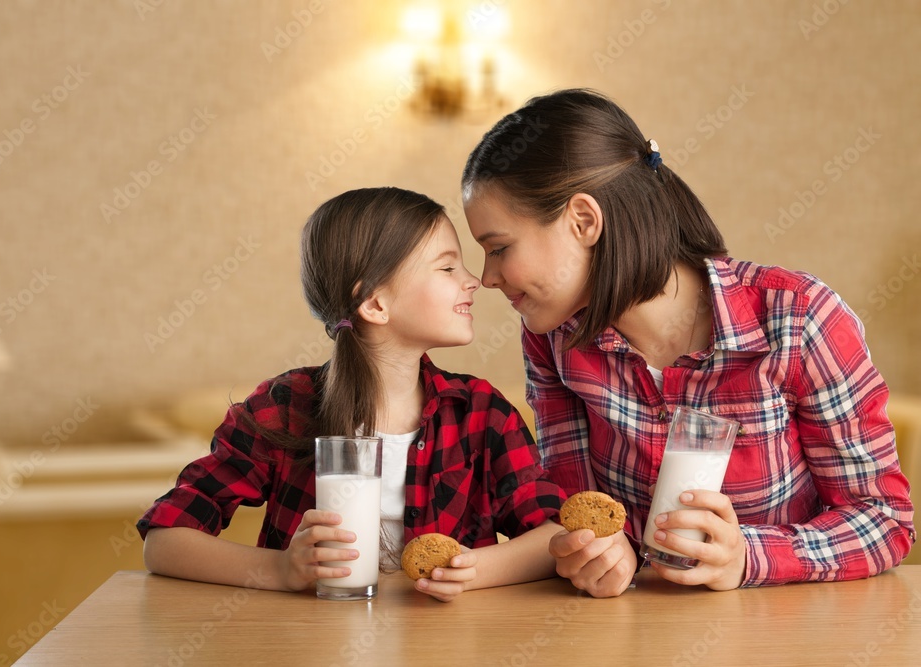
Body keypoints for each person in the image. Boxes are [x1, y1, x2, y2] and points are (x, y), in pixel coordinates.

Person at [461, 88, 915, 597]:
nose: (487, 277)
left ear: (583, 221)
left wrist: (748, 557)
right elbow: (577, 510)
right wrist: (598, 555)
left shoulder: (798, 319)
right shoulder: (554, 339)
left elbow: (884, 522)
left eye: (499, 248)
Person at [137, 187, 565, 602]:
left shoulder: (481, 413)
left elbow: (555, 534)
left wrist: (470, 572)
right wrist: (281, 570)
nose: (474, 281)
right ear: (375, 304)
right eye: (448, 268)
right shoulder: (285, 407)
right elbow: (165, 541)